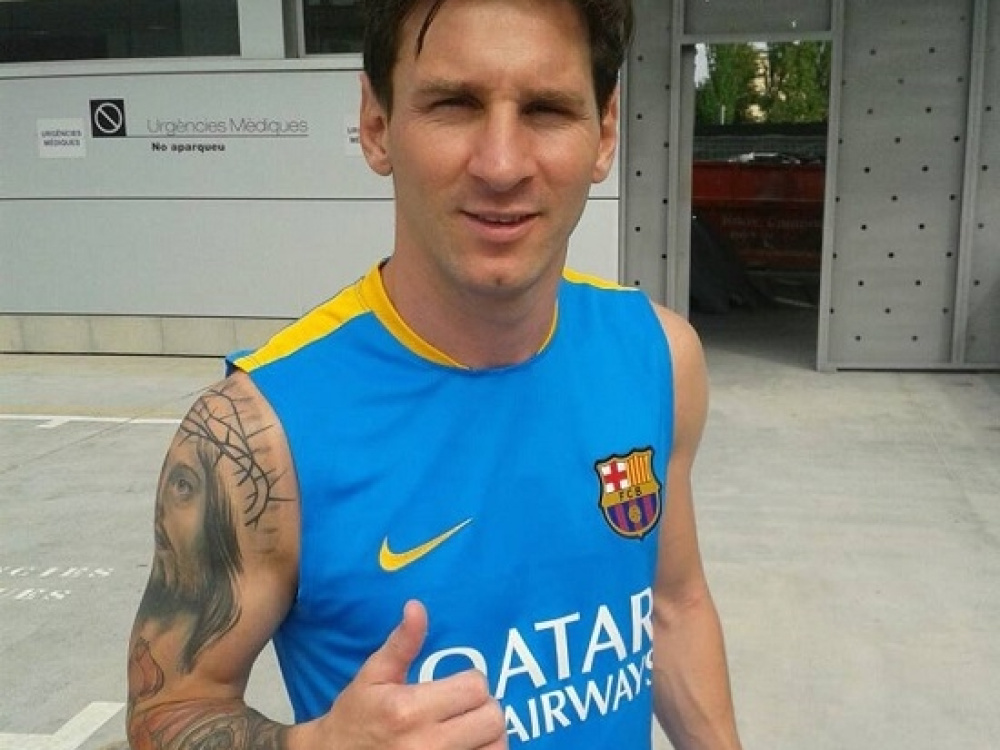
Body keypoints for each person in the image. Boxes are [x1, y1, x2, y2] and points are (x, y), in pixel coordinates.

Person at [125, 0, 744, 747]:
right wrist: (316, 746)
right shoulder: (257, 436)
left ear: (604, 132)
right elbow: (167, 712)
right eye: (454, 104)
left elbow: (673, 607)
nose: (502, 165)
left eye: (547, 110)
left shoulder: (658, 355)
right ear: (377, 124)